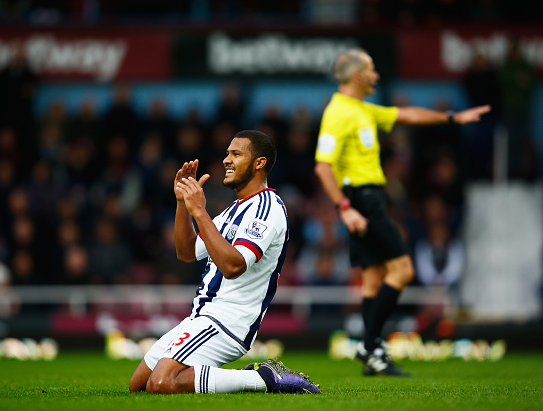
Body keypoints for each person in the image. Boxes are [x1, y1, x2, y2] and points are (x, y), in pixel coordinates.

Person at [314, 48, 490, 376]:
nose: (377, 76)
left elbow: (406, 115)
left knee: (373, 278)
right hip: (361, 200)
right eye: (372, 70)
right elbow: (323, 167)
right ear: (357, 76)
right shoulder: (338, 113)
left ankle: (372, 355)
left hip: (369, 198)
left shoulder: (362, 109)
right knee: (404, 270)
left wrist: (453, 117)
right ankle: (370, 346)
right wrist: (345, 209)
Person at [129, 130, 320, 394]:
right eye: (227, 153)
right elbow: (186, 253)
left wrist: (199, 210)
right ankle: (231, 378)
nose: (226, 160)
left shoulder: (268, 208)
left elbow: (233, 266)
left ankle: (265, 378)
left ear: (259, 163)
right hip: (201, 315)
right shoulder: (233, 210)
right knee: (138, 385)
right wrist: (183, 203)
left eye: (236, 154)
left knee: (162, 383)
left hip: (229, 320)